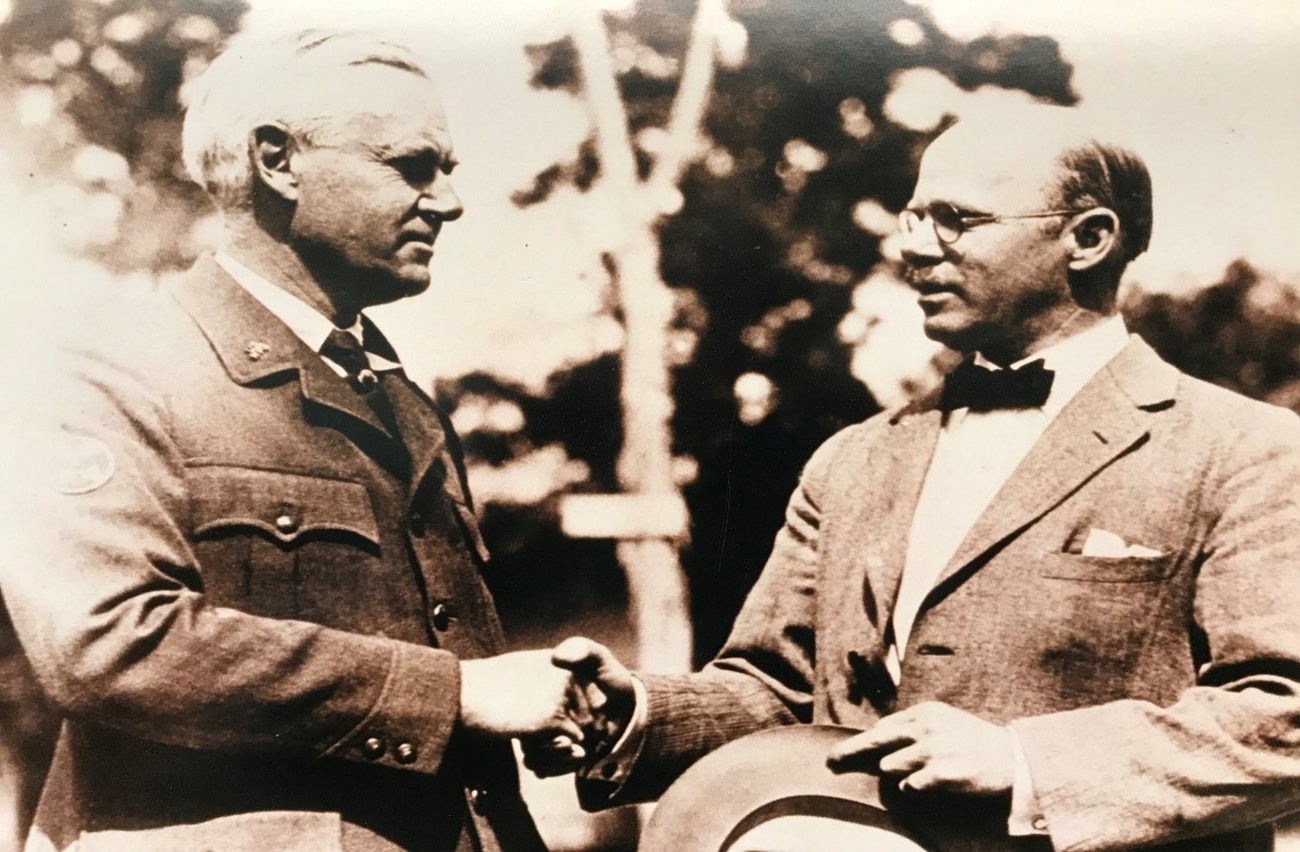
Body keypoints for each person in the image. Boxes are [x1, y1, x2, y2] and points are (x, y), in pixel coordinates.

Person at [544, 105, 1300, 851]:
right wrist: (636, 711)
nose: (914, 247)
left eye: (955, 219)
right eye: (912, 217)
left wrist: (1024, 764)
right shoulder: (854, 458)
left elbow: (1284, 714)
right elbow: (779, 691)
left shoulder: (1247, 451)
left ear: (1090, 238)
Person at [0, 29, 588, 852]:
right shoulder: (111, 367)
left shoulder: (400, 399)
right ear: (278, 161)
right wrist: (455, 696)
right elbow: (109, 642)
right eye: (413, 166)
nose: (449, 202)